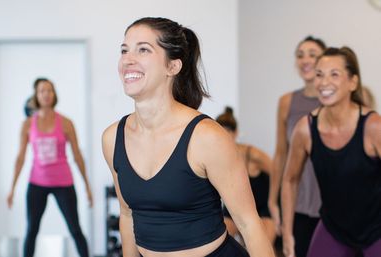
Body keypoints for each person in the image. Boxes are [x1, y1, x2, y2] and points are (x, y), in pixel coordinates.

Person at [101, 17, 275, 257]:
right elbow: (127, 214)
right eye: (124, 50)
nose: (128, 60)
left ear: (172, 66)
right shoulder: (112, 138)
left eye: (143, 50)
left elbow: (248, 224)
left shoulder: (206, 137)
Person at [281, 46, 381, 257]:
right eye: (319, 75)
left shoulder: (373, 127)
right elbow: (290, 180)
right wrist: (288, 233)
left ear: (352, 82)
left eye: (334, 74)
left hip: (376, 229)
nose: (324, 82)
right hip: (334, 228)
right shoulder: (305, 129)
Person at [7, 78, 93, 257]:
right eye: (42, 91)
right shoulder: (28, 124)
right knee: (31, 230)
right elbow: (20, 157)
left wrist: (87, 186)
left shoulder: (67, 123)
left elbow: (77, 156)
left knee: (75, 229)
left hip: (63, 183)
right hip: (37, 183)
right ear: (36, 96)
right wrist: (12, 188)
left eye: (49, 90)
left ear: (54, 94)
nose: (46, 94)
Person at [268, 36, 326, 257]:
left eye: (313, 54)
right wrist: (273, 201)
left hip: (330, 201)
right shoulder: (286, 102)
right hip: (297, 202)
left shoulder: (334, 100)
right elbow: (281, 153)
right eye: (300, 55)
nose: (305, 59)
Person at [216, 106, 276, 244]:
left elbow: (278, 176)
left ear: (236, 133)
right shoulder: (217, 157)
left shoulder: (253, 155)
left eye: (229, 132)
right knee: (219, 241)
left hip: (262, 207)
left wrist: (275, 205)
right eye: (222, 133)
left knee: (261, 245)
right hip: (236, 208)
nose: (226, 137)